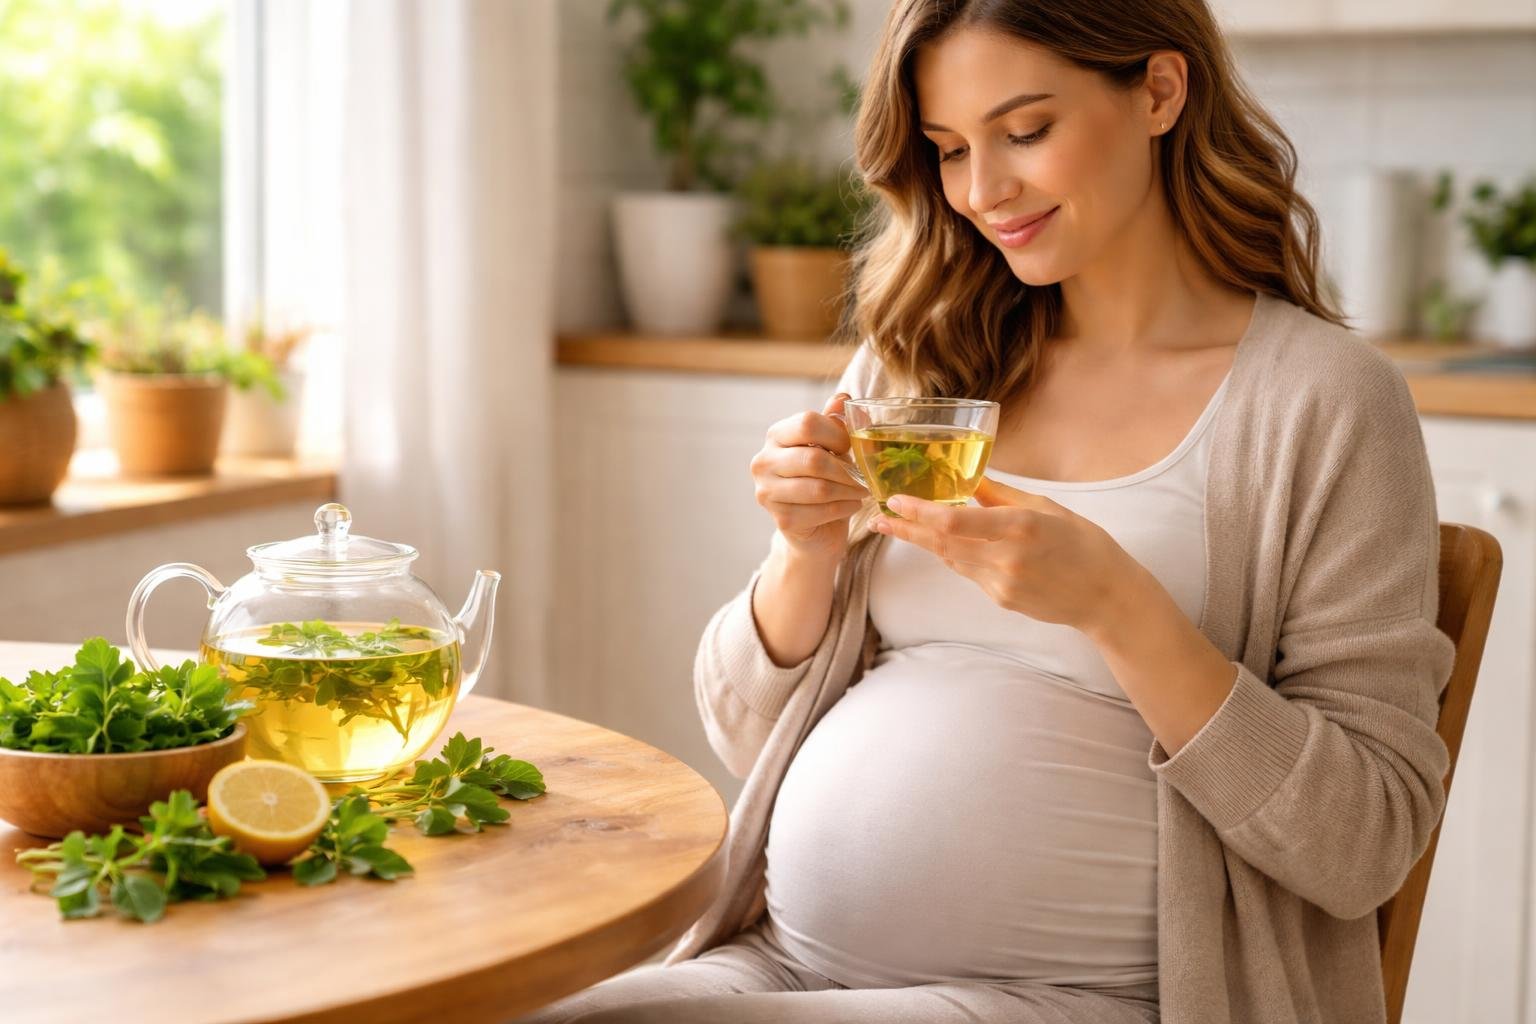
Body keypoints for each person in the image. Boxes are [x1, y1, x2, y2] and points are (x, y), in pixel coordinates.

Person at [518, 0, 1452, 1020]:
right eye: (950, 149)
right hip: (785, 959)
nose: (981, 190)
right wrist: (803, 554)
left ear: (1159, 90)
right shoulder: (926, 363)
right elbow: (745, 740)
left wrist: (1118, 607)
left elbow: (1365, 841)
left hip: (1094, 996)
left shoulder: (1322, 401)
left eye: (1026, 131)